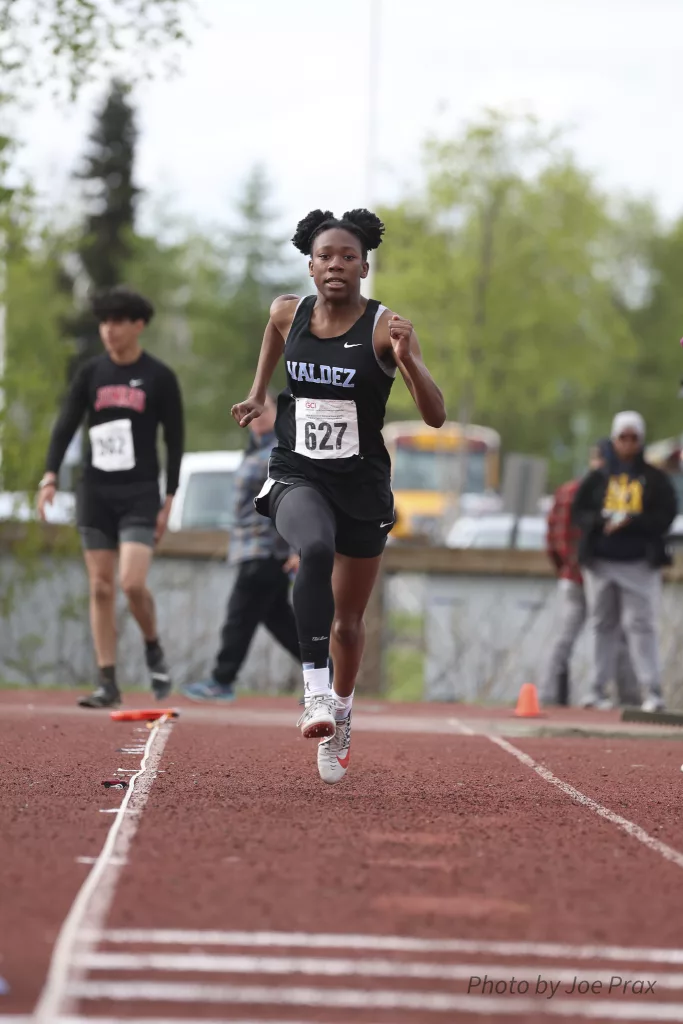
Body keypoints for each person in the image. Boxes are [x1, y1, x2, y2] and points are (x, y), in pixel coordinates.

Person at [231, 208, 446, 784]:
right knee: (314, 547)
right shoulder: (287, 312)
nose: (335, 265)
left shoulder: (387, 327)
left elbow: (435, 416)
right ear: (309, 264)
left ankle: (343, 713)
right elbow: (273, 338)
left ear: (364, 266)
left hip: (361, 484)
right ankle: (316, 693)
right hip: (297, 470)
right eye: (325, 256)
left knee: (350, 622)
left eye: (347, 257)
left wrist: (408, 364)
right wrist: (257, 395)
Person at [37, 285, 184, 709]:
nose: (109, 330)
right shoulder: (90, 374)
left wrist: (170, 497)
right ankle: (107, 681)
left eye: (118, 322)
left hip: (139, 492)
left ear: (138, 325)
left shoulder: (159, 377)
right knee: (101, 587)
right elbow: (65, 426)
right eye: (103, 322)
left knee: (131, 583)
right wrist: (49, 476)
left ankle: (152, 644)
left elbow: (174, 441)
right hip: (95, 490)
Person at [182, 392, 301, 702]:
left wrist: (296, 549)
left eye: (264, 410)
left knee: (239, 617)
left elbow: (294, 501)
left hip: (265, 550)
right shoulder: (256, 450)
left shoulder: (281, 449)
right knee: (279, 621)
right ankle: (325, 673)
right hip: (251, 548)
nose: (257, 416)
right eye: (253, 411)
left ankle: (222, 680)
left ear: (278, 413)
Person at [572, 412, 677, 712]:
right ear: (614, 439)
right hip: (601, 561)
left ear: (641, 440)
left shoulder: (655, 479)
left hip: (638, 563)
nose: (628, 444)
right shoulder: (598, 477)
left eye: (634, 438)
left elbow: (665, 516)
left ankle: (652, 691)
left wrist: (632, 522)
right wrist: (600, 521)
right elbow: (579, 511)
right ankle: (596, 689)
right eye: (623, 437)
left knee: (641, 625)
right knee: (602, 624)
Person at [542, 438, 640, 707]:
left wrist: (564, 567)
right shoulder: (597, 492)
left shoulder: (569, 490)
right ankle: (625, 698)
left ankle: (551, 697)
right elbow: (559, 536)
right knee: (613, 636)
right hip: (592, 576)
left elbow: (553, 538)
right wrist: (574, 567)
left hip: (581, 576)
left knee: (574, 637)